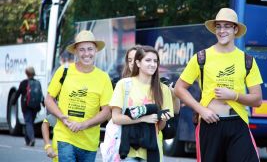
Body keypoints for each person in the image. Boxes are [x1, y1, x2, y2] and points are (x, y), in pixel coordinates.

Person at [174, 8, 263, 162]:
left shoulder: (247, 60)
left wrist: (233, 95)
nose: (222, 31)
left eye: (227, 26)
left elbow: (257, 100)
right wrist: (202, 110)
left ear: (235, 29)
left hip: (238, 124)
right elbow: (179, 89)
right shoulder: (202, 57)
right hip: (210, 124)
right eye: (218, 26)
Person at [45, 30, 113, 162]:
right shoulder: (63, 71)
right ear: (75, 51)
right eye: (82, 50)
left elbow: (107, 111)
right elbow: (48, 99)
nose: (86, 54)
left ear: (95, 51)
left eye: (90, 49)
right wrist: (60, 116)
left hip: (89, 142)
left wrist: (84, 125)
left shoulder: (103, 78)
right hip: (65, 137)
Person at [110, 45, 174, 161]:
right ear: (138, 63)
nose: (153, 64)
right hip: (127, 151)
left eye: (155, 61)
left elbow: (159, 128)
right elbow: (116, 118)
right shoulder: (124, 84)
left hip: (152, 151)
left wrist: (162, 119)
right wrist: (143, 119)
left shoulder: (163, 89)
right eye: (148, 60)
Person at [14, 66, 43, 146]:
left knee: (28, 122)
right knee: (30, 122)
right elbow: (41, 95)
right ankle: (28, 140)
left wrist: (13, 102)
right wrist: (43, 104)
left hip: (26, 106)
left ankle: (32, 138)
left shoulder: (23, 83)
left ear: (26, 73)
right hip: (35, 106)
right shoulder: (38, 83)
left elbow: (18, 93)